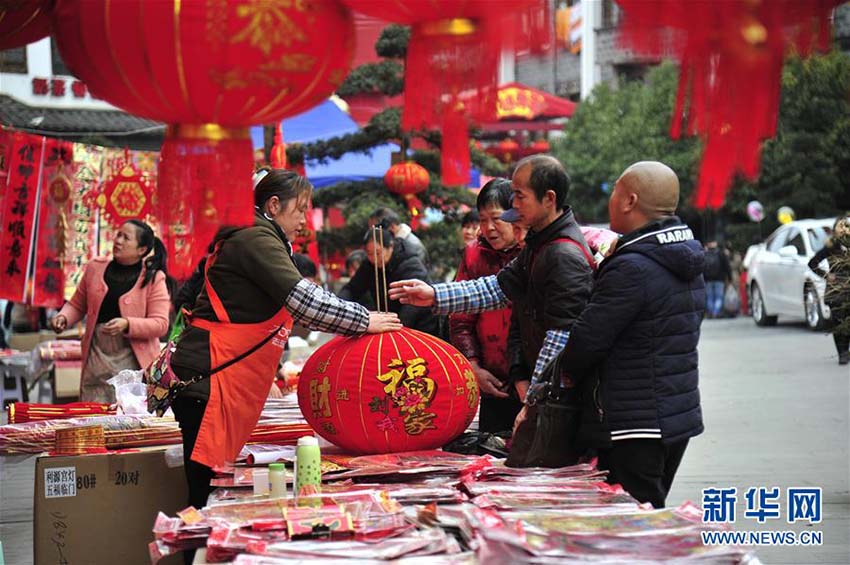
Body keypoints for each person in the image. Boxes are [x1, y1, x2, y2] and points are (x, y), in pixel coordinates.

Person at [169, 169, 401, 519]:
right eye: (300, 210)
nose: (304, 222)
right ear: (274, 205)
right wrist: (365, 320)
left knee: (213, 485)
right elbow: (304, 301)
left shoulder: (259, 235)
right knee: (207, 493)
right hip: (211, 376)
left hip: (218, 375)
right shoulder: (254, 237)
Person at [388, 155, 594, 433]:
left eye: (520, 196)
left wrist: (534, 400)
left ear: (548, 198)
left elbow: (560, 336)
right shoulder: (539, 245)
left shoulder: (562, 253)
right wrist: (434, 295)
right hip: (528, 387)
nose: (515, 204)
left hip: (556, 400)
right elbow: (496, 288)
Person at [549, 161, 705, 509]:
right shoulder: (684, 258)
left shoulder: (631, 266)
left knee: (633, 524)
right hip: (674, 415)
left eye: (615, 192)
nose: (611, 201)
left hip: (631, 423)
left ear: (630, 200)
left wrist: (560, 374)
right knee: (649, 512)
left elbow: (588, 341)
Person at [50, 220, 171, 403]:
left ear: (141, 249)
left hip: (133, 361)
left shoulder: (154, 278)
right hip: (96, 357)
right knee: (93, 415)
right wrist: (63, 317)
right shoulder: (95, 268)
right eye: (118, 235)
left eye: (126, 238)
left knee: (126, 417)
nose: (118, 241)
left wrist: (128, 324)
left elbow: (161, 324)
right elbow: (77, 304)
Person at [450, 179, 524, 433]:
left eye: (496, 219)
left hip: (531, 383)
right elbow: (461, 319)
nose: (489, 228)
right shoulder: (473, 255)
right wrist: (473, 366)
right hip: (491, 380)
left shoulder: (532, 251)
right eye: (483, 220)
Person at [340, 224, 442, 337]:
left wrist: (394, 328)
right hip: (389, 322)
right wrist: (340, 308)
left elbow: (412, 306)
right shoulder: (368, 265)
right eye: (369, 254)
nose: (373, 258)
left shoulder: (410, 263)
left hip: (419, 325)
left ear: (390, 247)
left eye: (378, 253)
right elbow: (352, 289)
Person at [808, 216, 850, 365]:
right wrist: (826, 276)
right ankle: (842, 353)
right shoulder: (831, 247)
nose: (844, 229)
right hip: (837, 290)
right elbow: (812, 263)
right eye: (841, 226)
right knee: (839, 322)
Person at [703, 240, 731, 318]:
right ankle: (716, 312)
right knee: (719, 297)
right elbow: (727, 266)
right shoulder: (721, 253)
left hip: (708, 279)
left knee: (709, 297)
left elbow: (702, 267)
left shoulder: (705, 254)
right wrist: (729, 277)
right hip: (720, 279)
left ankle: (711, 312)